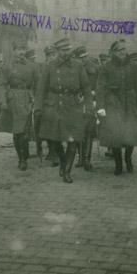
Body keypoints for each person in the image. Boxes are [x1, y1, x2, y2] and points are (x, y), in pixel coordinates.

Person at [34, 38, 93, 183]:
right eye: (64, 50)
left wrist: (89, 106)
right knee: (54, 140)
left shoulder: (78, 66)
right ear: (58, 51)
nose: (67, 53)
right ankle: (63, 161)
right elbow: (41, 89)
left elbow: (86, 87)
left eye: (69, 49)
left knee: (72, 141)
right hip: (54, 105)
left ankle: (67, 171)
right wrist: (38, 108)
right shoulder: (49, 66)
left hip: (73, 105)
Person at [96, 40, 137, 176]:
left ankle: (128, 159)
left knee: (131, 133)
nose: (122, 52)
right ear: (113, 52)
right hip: (113, 102)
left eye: (123, 49)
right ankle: (118, 164)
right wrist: (100, 106)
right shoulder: (106, 67)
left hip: (130, 102)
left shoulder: (134, 66)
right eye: (118, 50)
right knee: (115, 134)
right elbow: (100, 88)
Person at [0, 41, 39, 171]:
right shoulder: (8, 67)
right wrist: (2, 101)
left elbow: (39, 85)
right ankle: (21, 158)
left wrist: (36, 100)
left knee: (25, 131)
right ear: (14, 50)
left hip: (27, 100)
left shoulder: (33, 66)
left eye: (23, 49)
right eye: (18, 49)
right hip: (13, 101)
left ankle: (24, 157)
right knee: (17, 132)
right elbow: (2, 85)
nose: (21, 52)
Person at [72, 45, 98, 171]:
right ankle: (80, 158)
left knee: (88, 132)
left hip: (90, 103)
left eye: (85, 57)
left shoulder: (95, 70)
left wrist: (93, 95)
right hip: (76, 104)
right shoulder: (73, 70)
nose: (83, 60)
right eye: (80, 58)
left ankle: (87, 159)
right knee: (77, 131)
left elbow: (101, 86)